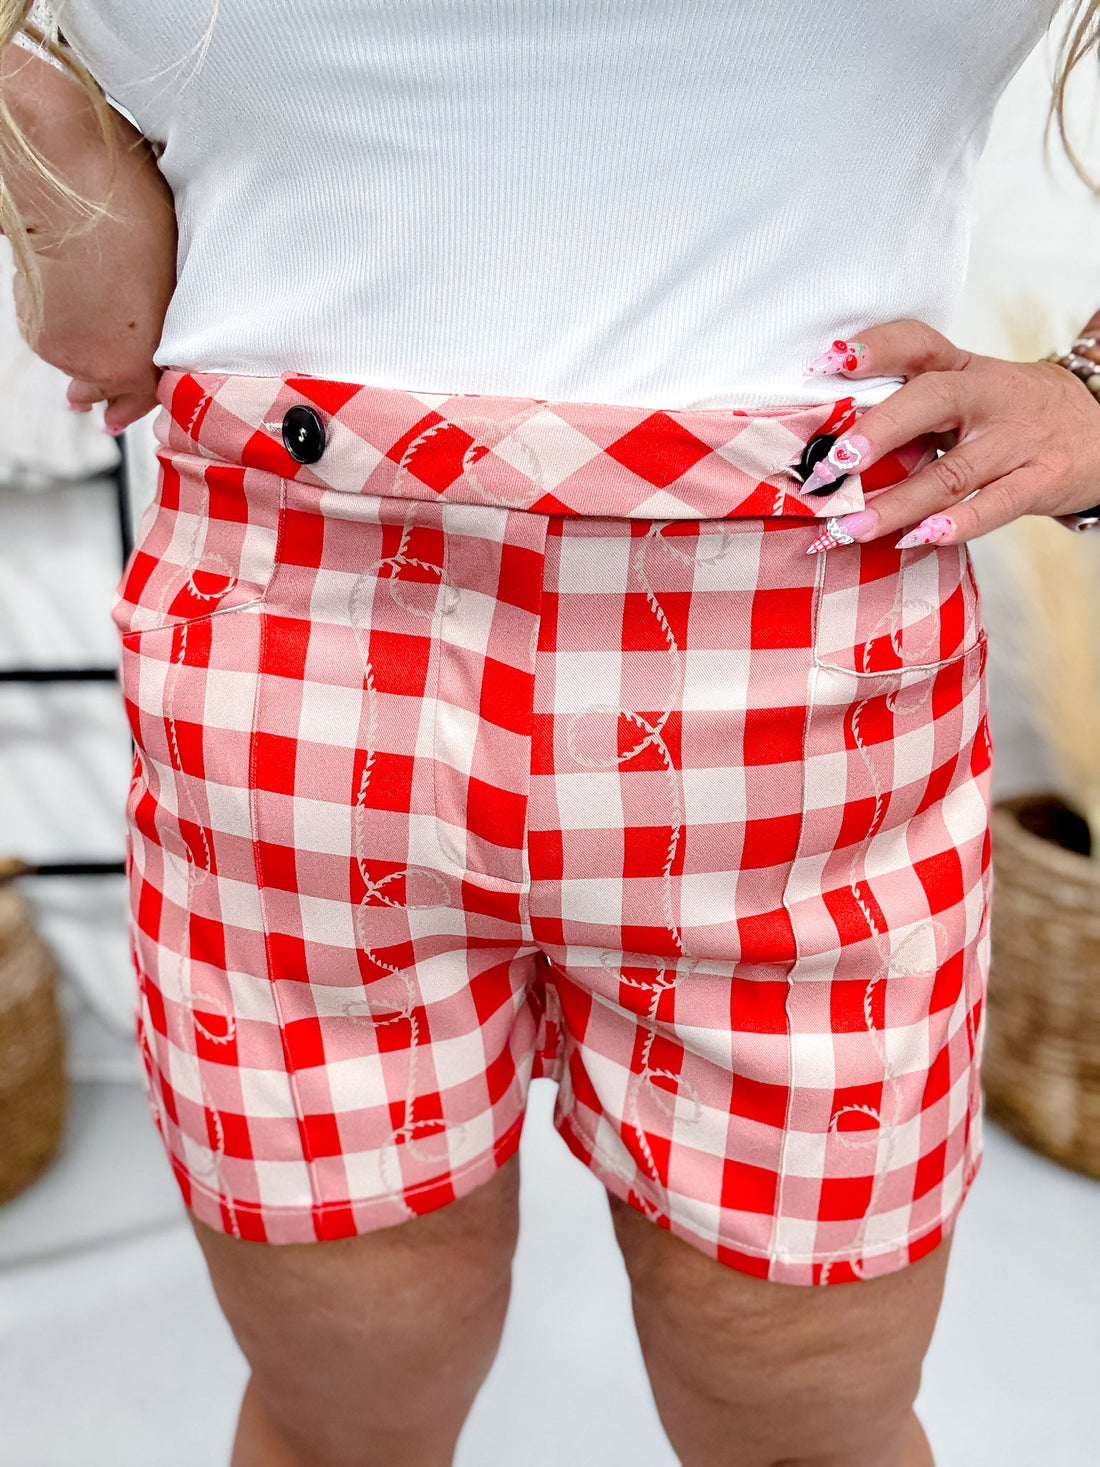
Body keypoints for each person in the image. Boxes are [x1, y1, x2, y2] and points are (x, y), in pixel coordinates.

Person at [3, 4, 1100, 1465]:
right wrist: (49, 131)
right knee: (347, 1420)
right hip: (298, 692)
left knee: (806, 1421)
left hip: (792, 705)